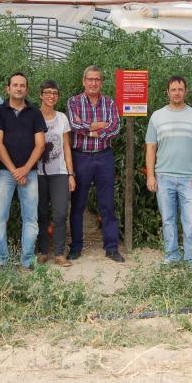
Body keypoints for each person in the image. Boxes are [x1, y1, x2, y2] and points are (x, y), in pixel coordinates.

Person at [145, 76, 192, 264]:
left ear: (186, 91)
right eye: (173, 89)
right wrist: (150, 176)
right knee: (168, 220)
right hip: (163, 177)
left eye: (180, 89)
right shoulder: (157, 116)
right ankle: (171, 256)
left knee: (190, 222)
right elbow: (150, 147)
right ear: (168, 92)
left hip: (189, 178)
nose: (177, 93)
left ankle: (191, 259)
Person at [66, 65, 125, 262]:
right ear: (84, 81)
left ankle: (111, 247)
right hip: (80, 156)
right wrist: (99, 127)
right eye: (90, 79)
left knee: (107, 203)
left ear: (101, 82)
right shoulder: (73, 102)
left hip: (104, 156)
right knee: (78, 204)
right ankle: (75, 247)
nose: (93, 83)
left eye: (97, 79)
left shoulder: (109, 102)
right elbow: (74, 126)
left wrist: (90, 128)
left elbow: (115, 128)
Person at [0, 72, 47, 269]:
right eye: (15, 85)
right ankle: (0, 260)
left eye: (22, 85)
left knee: (31, 218)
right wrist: (15, 170)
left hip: (29, 173)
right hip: (4, 173)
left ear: (27, 89)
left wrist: (24, 169)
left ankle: (28, 260)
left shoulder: (35, 113)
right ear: (8, 88)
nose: (19, 88)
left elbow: (40, 145)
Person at [36, 80, 75, 267]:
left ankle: (59, 253)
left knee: (60, 213)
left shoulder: (62, 118)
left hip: (59, 172)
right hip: (38, 173)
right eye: (48, 92)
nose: (52, 96)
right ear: (41, 95)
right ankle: (43, 251)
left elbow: (67, 147)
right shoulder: (33, 116)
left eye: (55, 93)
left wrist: (71, 173)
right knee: (41, 213)